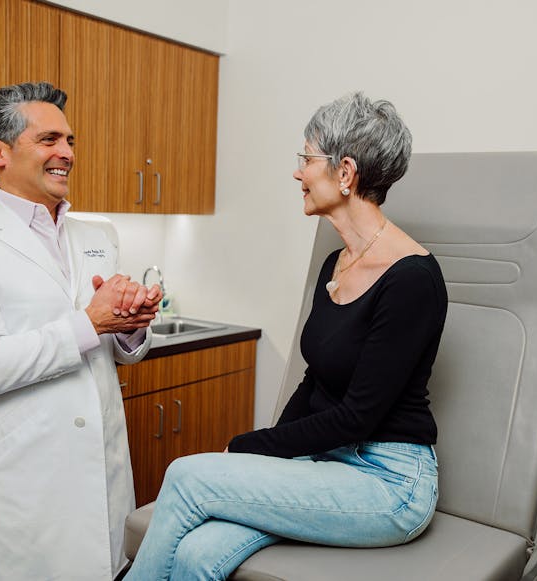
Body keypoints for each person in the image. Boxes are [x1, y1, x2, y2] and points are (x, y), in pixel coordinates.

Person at [126, 92, 448, 580]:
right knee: (195, 555)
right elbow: (314, 384)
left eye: (306, 159)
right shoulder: (334, 265)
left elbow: (357, 417)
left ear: (344, 172)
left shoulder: (412, 279)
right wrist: (264, 450)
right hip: (324, 465)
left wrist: (248, 445)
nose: (298, 173)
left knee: (186, 475)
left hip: (388, 482)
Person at [0, 82, 163, 580]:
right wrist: (91, 321)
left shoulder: (97, 237)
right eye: (50, 140)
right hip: (21, 489)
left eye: (70, 141)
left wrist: (130, 328)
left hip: (100, 473)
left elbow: (115, 352)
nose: (67, 154)